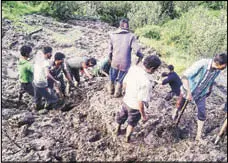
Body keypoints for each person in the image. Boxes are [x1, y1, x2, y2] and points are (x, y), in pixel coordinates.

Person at [172, 52, 227, 143]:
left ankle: (198, 136)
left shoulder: (217, 70)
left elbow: (211, 80)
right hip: (188, 89)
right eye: (225, 65)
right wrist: (189, 92)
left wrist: (209, 89)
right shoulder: (202, 64)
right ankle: (175, 117)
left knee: (202, 113)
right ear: (219, 64)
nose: (225, 67)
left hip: (201, 93)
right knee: (179, 105)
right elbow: (184, 77)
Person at [115, 55, 161, 143]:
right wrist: (143, 115)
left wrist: (125, 93)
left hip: (126, 100)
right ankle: (127, 138)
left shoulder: (133, 69)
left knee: (121, 116)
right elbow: (140, 102)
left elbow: (124, 82)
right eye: (156, 69)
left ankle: (117, 130)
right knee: (131, 123)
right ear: (152, 68)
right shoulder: (146, 83)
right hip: (135, 107)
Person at [108, 18, 144, 97]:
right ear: (128, 26)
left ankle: (111, 89)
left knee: (112, 75)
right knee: (121, 77)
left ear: (119, 25)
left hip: (115, 60)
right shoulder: (131, 36)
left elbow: (110, 51)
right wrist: (141, 56)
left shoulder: (112, 35)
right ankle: (117, 92)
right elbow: (137, 50)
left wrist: (110, 59)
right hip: (125, 62)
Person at [33, 46, 63, 111]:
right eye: (51, 53)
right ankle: (52, 110)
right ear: (48, 53)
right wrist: (55, 81)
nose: (51, 55)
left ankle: (36, 109)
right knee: (54, 99)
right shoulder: (46, 62)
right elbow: (47, 74)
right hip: (41, 83)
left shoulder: (38, 59)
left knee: (37, 98)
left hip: (35, 81)